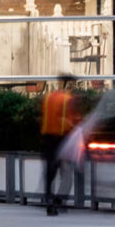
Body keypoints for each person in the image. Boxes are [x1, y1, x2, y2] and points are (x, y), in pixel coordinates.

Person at [40, 75, 82, 215]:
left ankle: (49, 200)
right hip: (62, 139)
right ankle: (60, 201)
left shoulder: (48, 97)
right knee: (67, 172)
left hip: (47, 139)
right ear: (68, 84)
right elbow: (72, 121)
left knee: (50, 172)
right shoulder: (68, 99)